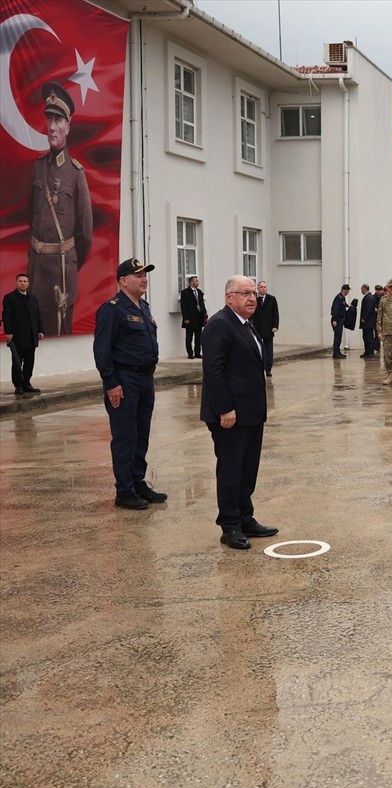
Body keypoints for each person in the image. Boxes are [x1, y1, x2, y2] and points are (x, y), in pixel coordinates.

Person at [200, 275, 277, 551]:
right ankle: (230, 526)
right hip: (230, 415)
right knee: (231, 470)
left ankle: (245, 518)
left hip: (251, 413)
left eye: (253, 293)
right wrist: (225, 408)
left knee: (247, 469)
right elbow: (214, 370)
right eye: (244, 293)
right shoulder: (219, 325)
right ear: (228, 297)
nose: (251, 298)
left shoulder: (246, 325)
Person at [92, 258, 166, 510]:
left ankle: (137, 482)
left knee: (141, 434)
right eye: (138, 275)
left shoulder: (143, 307)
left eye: (145, 274)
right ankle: (124, 491)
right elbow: (102, 350)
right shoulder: (112, 309)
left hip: (145, 378)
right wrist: (111, 382)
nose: (144, 278)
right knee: (125, 436)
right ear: (123, 281)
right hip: (124, 380)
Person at [28, 82, 92, 337]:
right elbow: (30, 216)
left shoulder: (76, 174)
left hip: (61, 272)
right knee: (31, 333)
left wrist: (69, 261)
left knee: (58, 335)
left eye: (58, 120)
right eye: (49, 119)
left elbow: (85, 234)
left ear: (68, 126)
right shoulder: (38, 166)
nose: (52, 127)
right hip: (36, 270)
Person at [3, 273, 45, 395]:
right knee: (17, 361)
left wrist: (40, 330)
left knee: (29, 361)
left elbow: (37, 315)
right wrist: (8, 332)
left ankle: (27, 383)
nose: (23, 283)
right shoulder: (10, 298)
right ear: (16, 283)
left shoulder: (33, 298)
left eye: (25, 281)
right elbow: (7, 316)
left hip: (31, 335)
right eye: (20, 281)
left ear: (28, 283)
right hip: (17, 335)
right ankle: (18, 385)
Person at [250, 280, 279, 376]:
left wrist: (275, 326)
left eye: (265, 287)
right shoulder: (255, 300)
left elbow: (275, 313)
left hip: (268, 328)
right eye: (261, 287)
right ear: (258, 289)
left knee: (268, 349)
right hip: (258, 328)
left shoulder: (272, 299)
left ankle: (268, 368)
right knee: (258, 348)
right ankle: (259, 367)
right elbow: (251, 313)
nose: (263, 288)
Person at [179, 275, 207, 359]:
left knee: (198, 337)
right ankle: (190, 353)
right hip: (190, 318)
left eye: (198, 281)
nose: (198, 282)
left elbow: (202, 304)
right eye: (196, 281)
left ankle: (197, 352)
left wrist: (205, 314)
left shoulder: (199, 292)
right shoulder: (185, 292)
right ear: (191, 282)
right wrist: (186, 318)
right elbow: (183, 306)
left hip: (199, 317)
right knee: (189, 337)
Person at [330, 283, 351, 359]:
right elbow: (335, 309)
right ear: (344, 290)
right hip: (337, 319)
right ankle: (336, 353)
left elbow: (343, 304)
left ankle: (337, 352)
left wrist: (348, 306)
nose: (348, 292)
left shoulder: (342, 298)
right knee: (337, 336)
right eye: (347, 291)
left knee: (339, 336)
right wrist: (335, 320)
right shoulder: (338, 297)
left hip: (340, 319)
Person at [359, 283, 378, 357]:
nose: (361, 291)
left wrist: (364, 318)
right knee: (365, 337)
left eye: (361, 289)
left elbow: (369, 309)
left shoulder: (369, 298)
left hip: (368, 322)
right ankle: (367, 351)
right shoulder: (368, 297)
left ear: (364, 289)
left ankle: (370, 352)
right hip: (366, 322)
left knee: (369, 337)